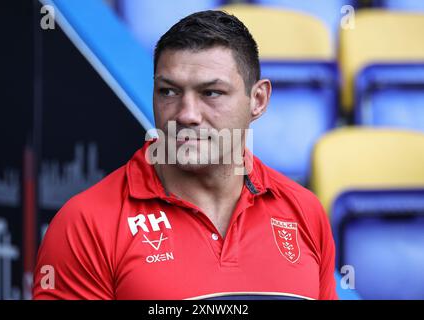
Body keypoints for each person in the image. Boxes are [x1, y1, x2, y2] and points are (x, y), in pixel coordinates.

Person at [33, 10, 337, 300]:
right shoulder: (85, 224)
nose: (187, 115)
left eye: (211, 93)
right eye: (169, 91)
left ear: (257, 100)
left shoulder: (305, 212)